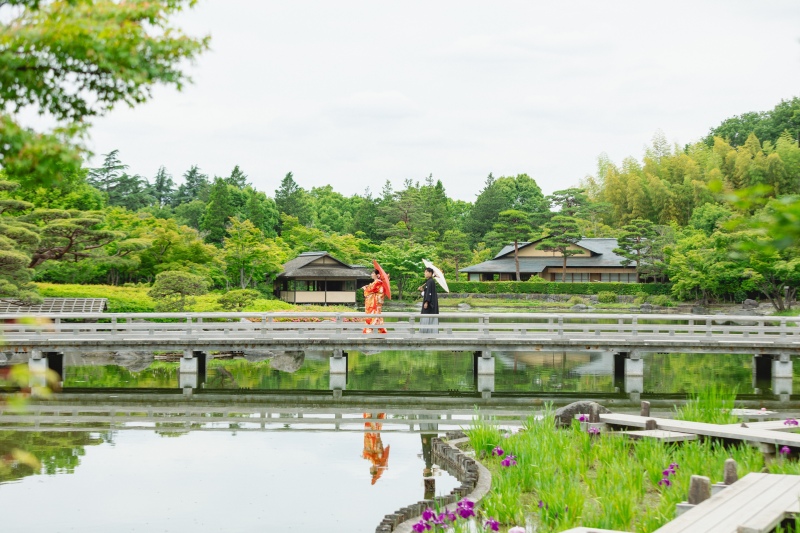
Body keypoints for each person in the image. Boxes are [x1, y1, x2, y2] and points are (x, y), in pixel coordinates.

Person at [363, 269, 388, 334]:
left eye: (373, 273)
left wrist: (365, 288)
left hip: (374, 303)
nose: (371, 274)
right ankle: (377, 331)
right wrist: (368, 287)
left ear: (377, 275)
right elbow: (372, 289)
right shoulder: (376, 282)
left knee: (373, 315)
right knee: (375, 316)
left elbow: (370, 290)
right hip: (375, 302)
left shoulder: (378, 282)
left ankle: (372, 331)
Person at [418, 267, 439, 334]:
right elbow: (427, 293)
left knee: (427, 316)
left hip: (430, 305)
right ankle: (428, 332)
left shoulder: (430, 282)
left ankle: (427, 332)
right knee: (427, 317)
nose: (425, 273)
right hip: (430, 303)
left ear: (430, 273)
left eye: (426, 272)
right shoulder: (429, 281)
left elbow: (429, 294)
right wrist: (422, 290)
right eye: (425, 272)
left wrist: (426, 302)